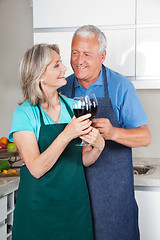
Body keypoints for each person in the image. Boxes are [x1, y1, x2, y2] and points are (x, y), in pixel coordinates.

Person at [59, 25, 152, 240]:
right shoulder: (63, 88)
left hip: (113, 197)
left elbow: (145, 137)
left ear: (103, 56)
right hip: (74, 192)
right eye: (75, 52)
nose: (79, 60)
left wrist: (112, 133)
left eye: (87, 54)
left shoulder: (120, 86)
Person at [8, 43, 105, 240]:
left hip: (75, 211)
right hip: (37, 213)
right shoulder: (24, 114)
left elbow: (83, 159)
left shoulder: (74, 107)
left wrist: (99, 145)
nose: (65, 69)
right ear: (39, 74)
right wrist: (67, 133)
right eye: (56, 65)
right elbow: (36, 168)